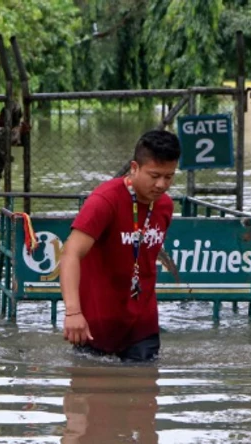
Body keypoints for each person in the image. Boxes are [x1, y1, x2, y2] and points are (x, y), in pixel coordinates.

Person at [58, 129, 181, 362]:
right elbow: (71, 253)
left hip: (142, 324)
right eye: (154, 175)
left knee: (146, 391)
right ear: (134, 168)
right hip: (96, 324)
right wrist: (73, 312)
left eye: (169, 176)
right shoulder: (104, 200)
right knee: (90, 391)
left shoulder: (164, 206)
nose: (161, 184)